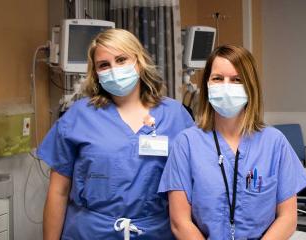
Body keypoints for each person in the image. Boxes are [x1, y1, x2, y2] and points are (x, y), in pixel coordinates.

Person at [38, 28, 194, 240]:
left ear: (139, 62)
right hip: (90, 233)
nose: (114, 69)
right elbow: (59, 191)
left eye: (121, 60)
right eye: (104, 65)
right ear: (96, 73)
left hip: (156, 232)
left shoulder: (175, 115)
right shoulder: (79, 116)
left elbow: (193, 187)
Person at [158, 44, 306, 240]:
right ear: (207, 84)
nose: (226, 86)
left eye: (237, 80)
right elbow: (180, 223)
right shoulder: (186, 143)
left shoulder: (274, 142)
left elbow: (287, 218)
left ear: (250, 86)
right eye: (218, 79)